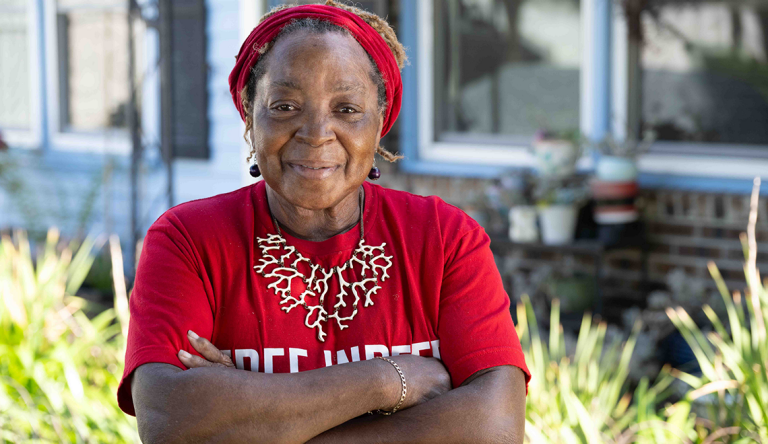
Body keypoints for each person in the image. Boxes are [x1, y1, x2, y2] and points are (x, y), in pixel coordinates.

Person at [118, 1, 530, 442]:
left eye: (347, 109)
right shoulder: (189, 240)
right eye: (284, 106)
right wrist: (389, 379)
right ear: (249, 113)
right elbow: (168, 419)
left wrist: (257, 418)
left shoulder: (444, 238)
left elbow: (494, 427)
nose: (316, 133)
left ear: (380, 123)